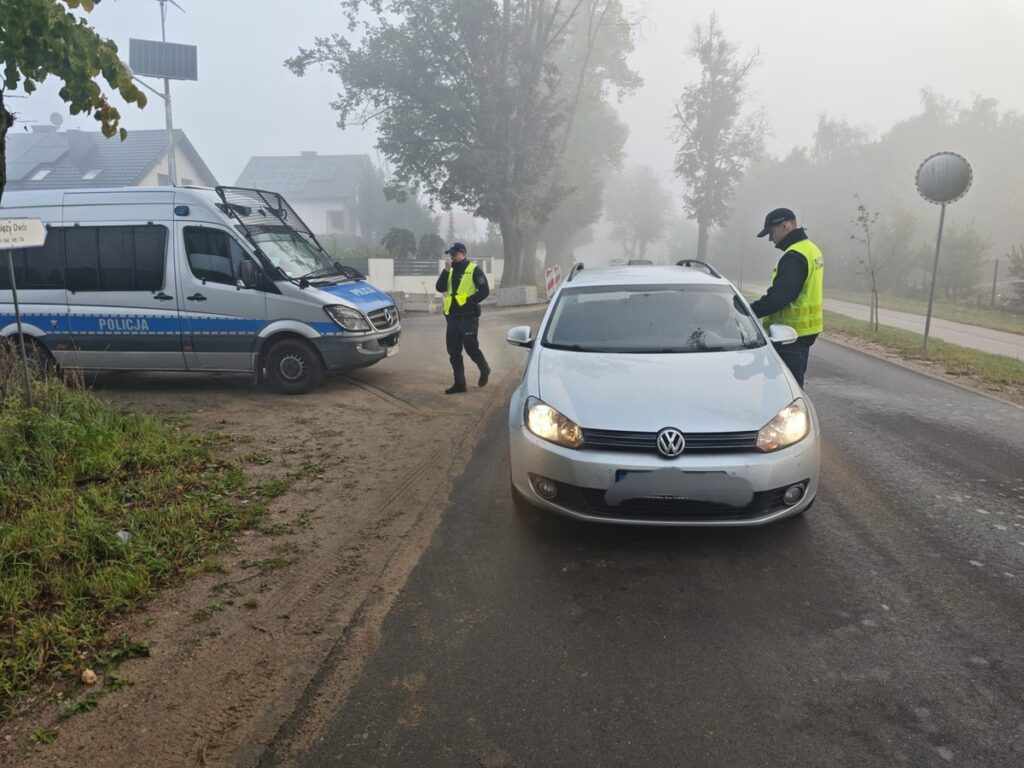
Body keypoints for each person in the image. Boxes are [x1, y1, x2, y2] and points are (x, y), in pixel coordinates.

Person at [750, 208, 824, 387]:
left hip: (789, 336)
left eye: (771, 232)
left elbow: (781, 296)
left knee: (785, 393)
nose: (770, 239)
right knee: (791, 389)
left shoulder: (794, 256)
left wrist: (749, 311)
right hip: (802, 334)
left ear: (785, 226)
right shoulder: (810, 249)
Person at [435, 242, 491, 394]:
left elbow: (485, 291)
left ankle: (484, 369)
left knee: (471, 347)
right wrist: (445, 272)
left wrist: (469, 301)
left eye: (455, 254)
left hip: (468, 316)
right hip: (452, 317)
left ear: (463, 253)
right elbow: (440, 288)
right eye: (450, 254)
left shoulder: (473, 270)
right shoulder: (450, 271)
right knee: (453, 351)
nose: (452, 257)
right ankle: (460, 383)